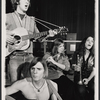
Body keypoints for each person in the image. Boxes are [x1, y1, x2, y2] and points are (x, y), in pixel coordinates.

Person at [6, 0, 54, 84]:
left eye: (28, 0)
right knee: (14, 85)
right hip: (14, 56)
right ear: (17, 1)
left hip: (29, 57)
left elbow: (38, 38)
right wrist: (4, 35)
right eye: (25, 0)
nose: (28, 2)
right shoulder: (7, 17)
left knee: (30, 85)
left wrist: (48, 35)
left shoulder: (31, 20)